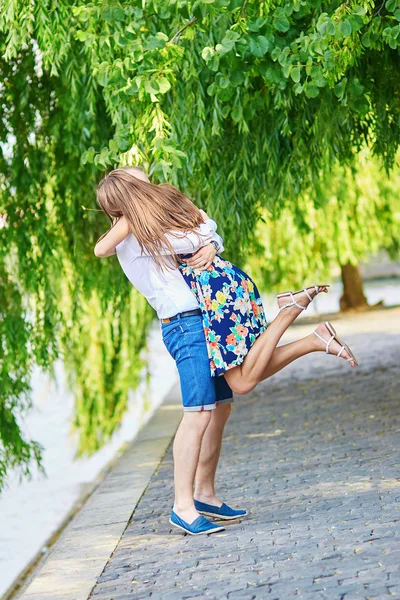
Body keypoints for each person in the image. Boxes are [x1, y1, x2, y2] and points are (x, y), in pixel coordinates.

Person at [94, 166, 358, 536]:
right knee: (199, 411)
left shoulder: (155, 227)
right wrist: (134, 219)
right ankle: (182, 507)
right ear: (127, 199)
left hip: (206, 317)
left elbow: (203, 227)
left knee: (222, 407)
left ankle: (204, 493)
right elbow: (101, 248)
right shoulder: (128, 236)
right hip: (184, 326)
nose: (150, 188)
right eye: (140, 186)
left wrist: (210, 243)